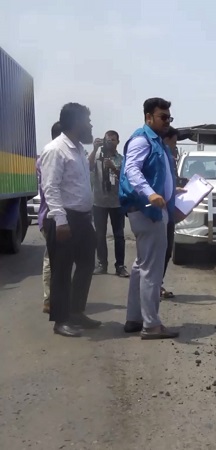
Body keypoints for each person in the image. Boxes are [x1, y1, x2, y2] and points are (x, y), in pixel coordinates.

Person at [119, 97, 179, 339]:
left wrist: (174, 190)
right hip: (148, 211)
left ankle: (134, 319)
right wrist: (151, 193)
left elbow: (158, 174)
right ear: (148, 117)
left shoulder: (156, 142)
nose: (167, 121)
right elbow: (131, 170)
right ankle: (151, 324)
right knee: (152, 270)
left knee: (140, 267)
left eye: (169, 117)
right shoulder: (142, 140)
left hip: (151, 209)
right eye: (162, 117)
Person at [39, 103, 99, 337]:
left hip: (83, 219)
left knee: (86, 265)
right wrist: (61, 220)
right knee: (62, 271)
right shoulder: (55, 149)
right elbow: (50, 187)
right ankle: (60, 320)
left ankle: (76, 312)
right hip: (64, 219)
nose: (91, 125)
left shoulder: (78, 150)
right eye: (88, 120)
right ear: (76, 122)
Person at [89, 130, 129, 277]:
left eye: (113, 140)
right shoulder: (98, 157)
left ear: (118, 142)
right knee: (99, 235)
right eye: (107, 140)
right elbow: (88, 166)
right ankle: (102, 264)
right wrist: (94, 149)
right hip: (99, 202)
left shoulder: (121, 159)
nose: (110, 142)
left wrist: (113, 167)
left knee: (119, 235)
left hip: (117, 203)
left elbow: (126, 178)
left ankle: (120, 266)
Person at [38, 121, 62, 314]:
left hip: (61, 217)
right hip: (52, 217)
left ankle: (57, 298)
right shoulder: (52, 154)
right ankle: (49, 299)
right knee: (51, 259)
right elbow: (51, 189)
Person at [160, 126, 179, 299]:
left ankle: (158, 284)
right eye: (174, 142)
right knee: (159, 252)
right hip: (160, 212)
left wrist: (176, 189)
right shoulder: (160, 157)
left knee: (166, 251)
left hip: (169, 210)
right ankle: (155, 287)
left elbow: (168, 184)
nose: (175, 146)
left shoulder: (169, 158)